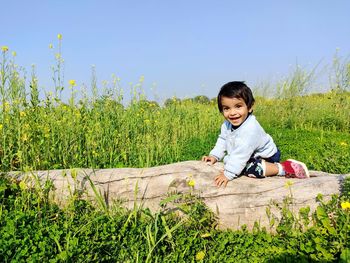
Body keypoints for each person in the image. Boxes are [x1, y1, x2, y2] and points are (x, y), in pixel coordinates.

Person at [202, 81, 309, 187]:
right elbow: (222, 140)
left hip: (267, 156)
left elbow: (241, 154)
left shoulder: (250, 129)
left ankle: (284, 168)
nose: (232, 112)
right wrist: (214, 156)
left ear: (249, 107)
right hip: (249, 153)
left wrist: (228, 174)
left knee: (251, 169)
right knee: (233, 163)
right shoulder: (226, 125)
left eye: (238, 106)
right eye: (226, 108)